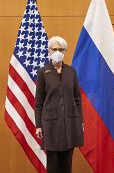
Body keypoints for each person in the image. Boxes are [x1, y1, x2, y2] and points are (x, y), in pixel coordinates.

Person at [35, 36, 84, 173]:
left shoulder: (71, 71)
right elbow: (39, 102)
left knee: (66, 164)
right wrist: (38, 125)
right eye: (54, 49)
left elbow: (77, 99)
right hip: (51, 124)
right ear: (49, 51)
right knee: (53, 165)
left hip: (70, 122)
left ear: (65, 52)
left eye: (60, 49)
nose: (57, 52)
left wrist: (80, 121)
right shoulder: (43, 72)